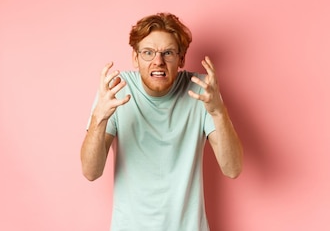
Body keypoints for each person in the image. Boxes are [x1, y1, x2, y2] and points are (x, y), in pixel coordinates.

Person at [80, 12, 243, 231]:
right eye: (148, 52)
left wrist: (219, 113)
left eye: (168, 53)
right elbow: (91, 172)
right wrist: (99, 118)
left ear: (182, 58)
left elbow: (232, 169)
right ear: (135, 58)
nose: (158, 61)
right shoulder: (117, 90)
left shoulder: (202, 90)